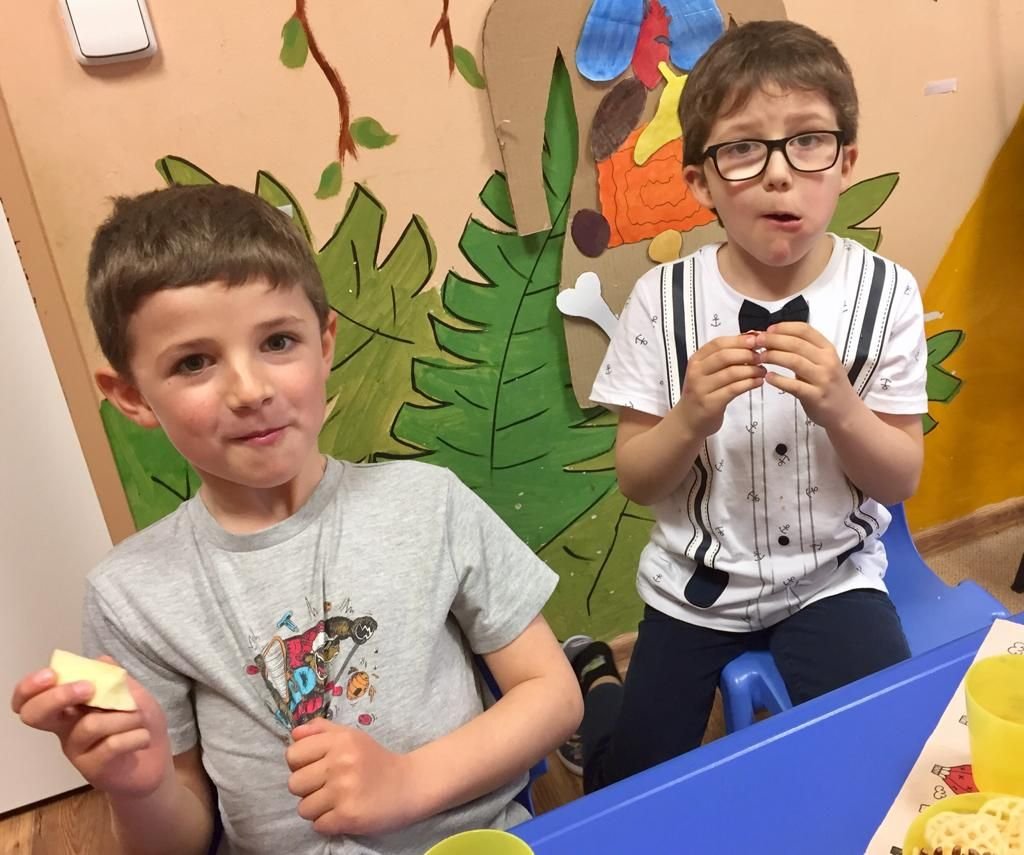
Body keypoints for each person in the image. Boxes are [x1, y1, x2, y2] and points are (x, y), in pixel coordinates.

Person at [10, 184, 583, 854]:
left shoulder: (430, 503)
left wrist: (408, 780)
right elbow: (177, 840)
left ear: (324, 342)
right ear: (131, 396)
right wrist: (142, 789)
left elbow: (551, 694)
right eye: (194, 362)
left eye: (278, 341)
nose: (250, 390)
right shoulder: (131, 594)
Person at [558, 20, 927, 793]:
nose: (779, 174)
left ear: (845, 161)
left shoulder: (886, 293)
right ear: (701, 182)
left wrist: (841, 408)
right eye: (744, 149)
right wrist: (689, 417)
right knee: (628, 787)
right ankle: (597, 687)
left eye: (808, 141)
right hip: (694, 589)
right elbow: (636, 478)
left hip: (832, 579)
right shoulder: (662, 299)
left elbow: (899, 479)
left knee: (895, 758)